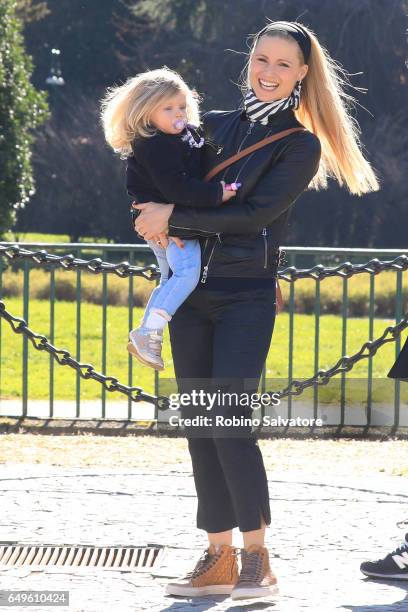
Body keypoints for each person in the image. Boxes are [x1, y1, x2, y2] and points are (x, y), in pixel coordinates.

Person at [134, 20, 380, 601]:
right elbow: (157, 173)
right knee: (199, 425)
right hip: (190, 297)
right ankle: (217, 556)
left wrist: (173, 217)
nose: (268, 73)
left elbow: (251, 219)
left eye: (282, 65)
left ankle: (257, 559)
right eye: (260, 60)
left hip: (245, 296)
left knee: (230, 426)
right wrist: (144, 208)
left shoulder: (300, 144)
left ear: (301, 75)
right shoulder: (212, 126)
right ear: (249, 62)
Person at [100, 68, 237, 370]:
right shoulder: (154, 144)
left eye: (182, 106)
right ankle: (149, 332)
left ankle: (148, 334)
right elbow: (176, 187)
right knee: (187, 273)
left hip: (162, 221)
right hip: (169, 224)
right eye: (168, 108)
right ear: (147, 113)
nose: (179, 114)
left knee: (170, 278)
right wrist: (216, 194)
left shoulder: (181, 136)